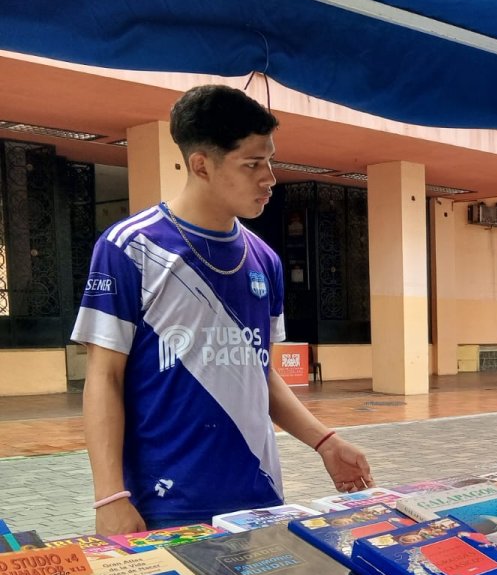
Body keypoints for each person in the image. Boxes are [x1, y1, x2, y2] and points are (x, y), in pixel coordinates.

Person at [72, 85, 373, 536]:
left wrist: (325, 441)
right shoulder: (130, 249)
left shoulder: (265, 260)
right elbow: (104, 377)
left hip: (259, 497)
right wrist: (110, 497)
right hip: (165, 503)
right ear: (201, 165)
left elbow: (260, 373)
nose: (269, 177)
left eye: (270, 160)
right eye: (252, 163)